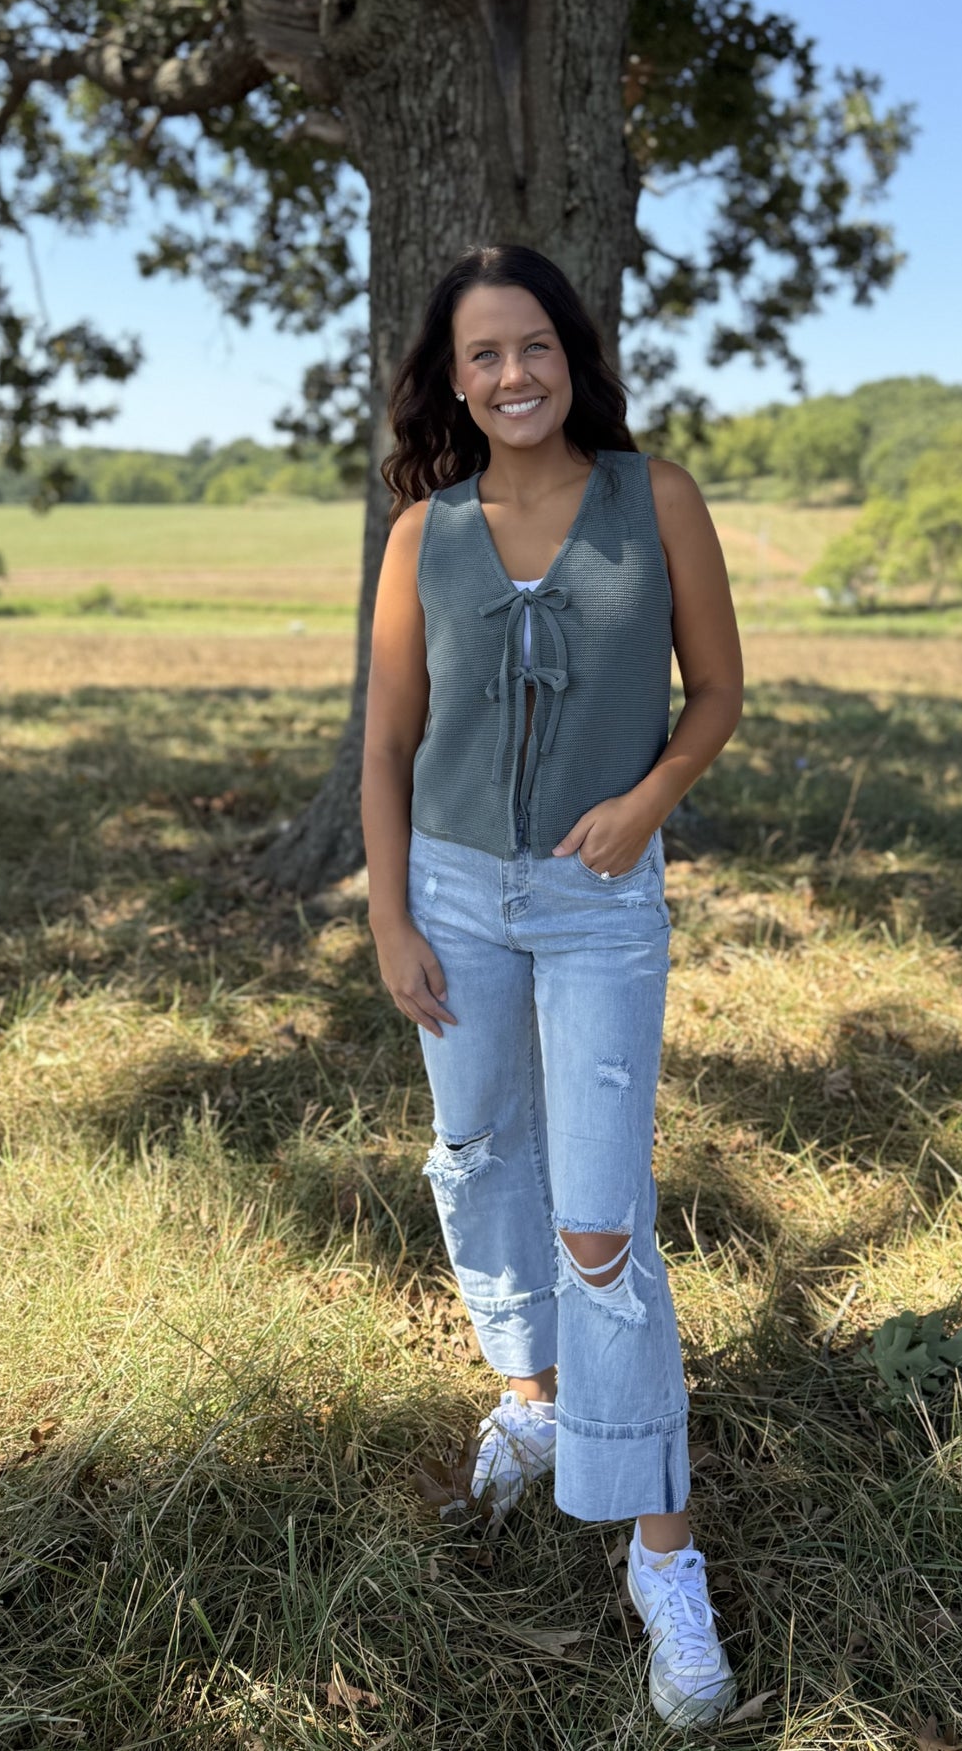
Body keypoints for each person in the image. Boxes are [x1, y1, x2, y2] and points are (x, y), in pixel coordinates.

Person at [361, 243, 745, 1728]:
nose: (513, 374)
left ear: (570, 357)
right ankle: (529, 1398)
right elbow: (387, 742)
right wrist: (391, 915)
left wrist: (645, 805)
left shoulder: (656, 500)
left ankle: (663, 1552)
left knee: (600, 1220)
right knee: (475, 1154)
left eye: (534, 346)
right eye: (484, 355)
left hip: (599, 904)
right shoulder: (425, 533)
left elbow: (716, 693)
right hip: (455, 895)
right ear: (452, 381)